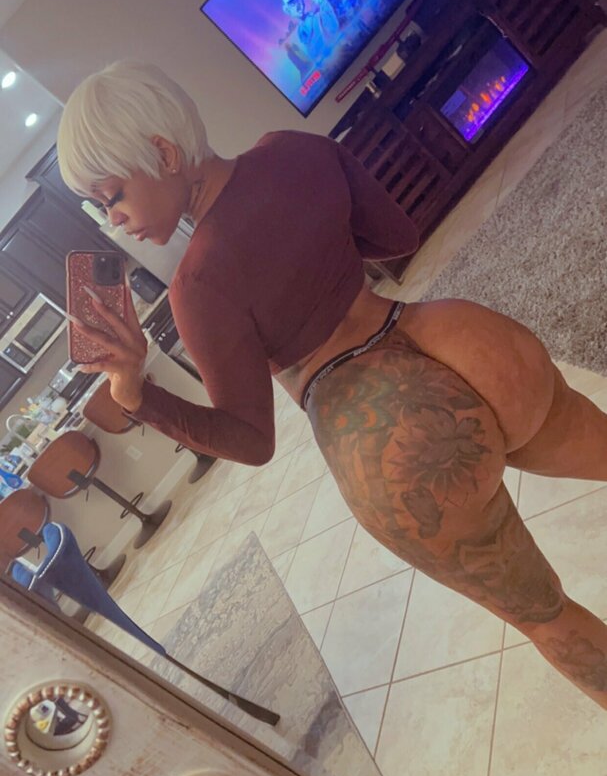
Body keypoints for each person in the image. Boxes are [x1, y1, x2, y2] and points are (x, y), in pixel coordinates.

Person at [56, 60, 607, 728]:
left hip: (386, 439)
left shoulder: (197, 287)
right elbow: (397, 237)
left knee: (545, 615)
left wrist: (134, 392)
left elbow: (250, 440)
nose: (115, 221)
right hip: (459, 338)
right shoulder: (292, 149)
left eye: (113, 196)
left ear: (164, 154)